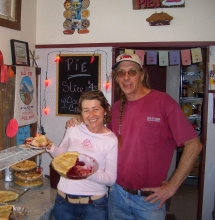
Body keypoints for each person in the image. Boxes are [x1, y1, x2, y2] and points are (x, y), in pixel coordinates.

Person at [66, 54, 202, 220]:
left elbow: (194, 145)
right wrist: (80, 119)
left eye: (132, 72)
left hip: (149, 200)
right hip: (117, 195)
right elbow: (97, 129)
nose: (126, 77)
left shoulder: (163, 103)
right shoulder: (115, 109)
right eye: (121, 73)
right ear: (116, 78)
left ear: (142, 75)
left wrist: (172, 186)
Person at [47, 90, 118, 220]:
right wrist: (49, 147)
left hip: (95, 205)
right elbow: (61, 155)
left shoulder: (111, 140)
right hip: (64, 201)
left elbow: (111, 179)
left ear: (105, 110)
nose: (91, 115)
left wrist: (85, 174)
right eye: (86, 110)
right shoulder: (73, 127)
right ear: (81, 113)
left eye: (96, 109)